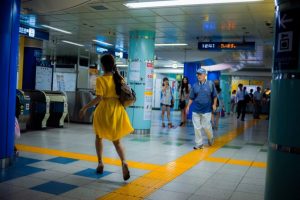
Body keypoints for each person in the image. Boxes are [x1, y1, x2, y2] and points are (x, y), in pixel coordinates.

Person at [79, 54, 133, 181]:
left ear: (103, 65)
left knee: (99, 137)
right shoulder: (119, 78)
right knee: (117, 140)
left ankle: (100, 163)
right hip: (118, 110)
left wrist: (85, 107)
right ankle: (124, 162)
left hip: (103, 110)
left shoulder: (100, 80)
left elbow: (99, 98)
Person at [186, 68, 217, 149]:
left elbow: (215, 96)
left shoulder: (210, 84)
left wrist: (214, 104)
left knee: (206, 126)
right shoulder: (195, 85)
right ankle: (199, 144)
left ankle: (211, 138)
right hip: (196, 109)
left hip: (207, 110)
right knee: (197, 127)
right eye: (198, 74)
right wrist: (188, 106)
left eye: (200, 74)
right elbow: (191, 97)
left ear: (205, 75)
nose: (198, 76)